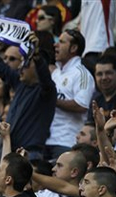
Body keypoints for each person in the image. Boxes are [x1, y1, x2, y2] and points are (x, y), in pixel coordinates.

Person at [0, 33, 56, 161]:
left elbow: (45, 78)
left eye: (26, 64)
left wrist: (37, 57)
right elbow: (1, 68)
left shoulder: (47, 92)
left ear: (36, 68)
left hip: (26, 157)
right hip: (4, 151)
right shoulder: (20, 84)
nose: (21, 68)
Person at [45, 30, 95, 160]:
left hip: (66, 141)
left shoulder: (82, 74)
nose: (56, 45)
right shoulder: (56, 74)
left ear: (73, 48)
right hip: (46, 139)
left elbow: (81, 105)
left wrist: (52, 100)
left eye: (61, 42)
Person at [86, 55, 116, 123]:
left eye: (108, 73)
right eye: (99, 74)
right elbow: (90, 126)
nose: (104, 78)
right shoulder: (95, 100)